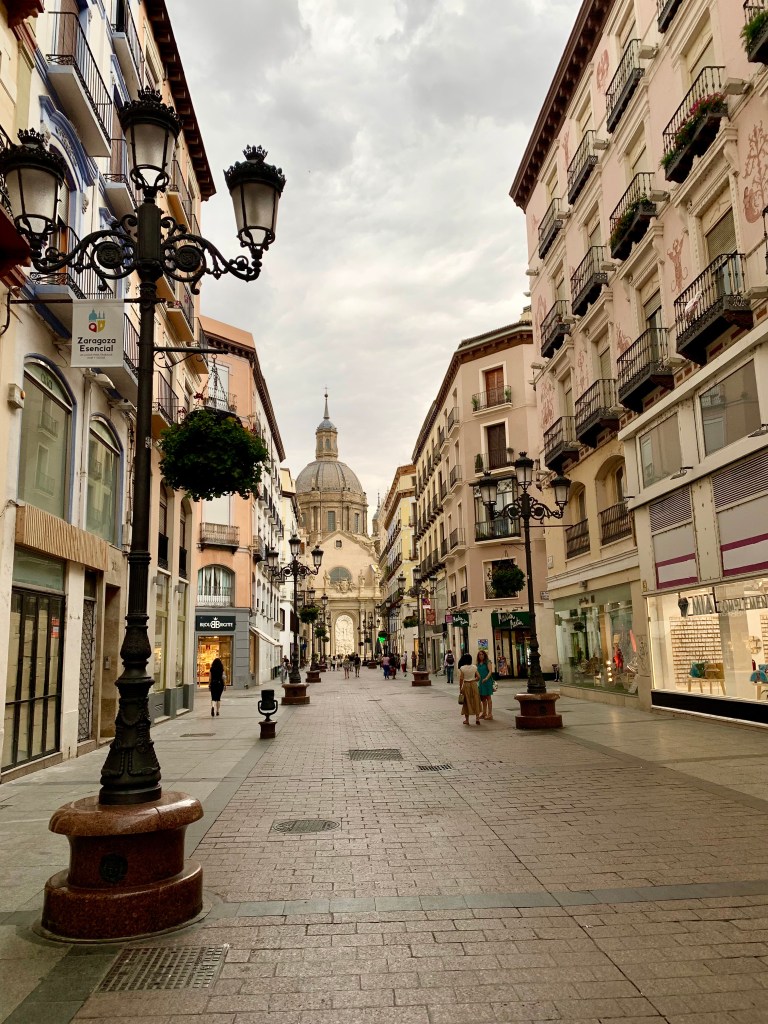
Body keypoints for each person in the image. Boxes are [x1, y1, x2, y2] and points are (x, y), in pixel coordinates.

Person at [458, 653, 482, 726]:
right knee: (476, 700)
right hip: (473, 685)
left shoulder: (462, 668)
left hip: (466, 685)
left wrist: (460, 688)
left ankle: (467, 720)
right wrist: (474, 680)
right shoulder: (474, 667)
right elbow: (479, 677)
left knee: (466, 702)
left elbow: (461, 679)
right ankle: (477, 719)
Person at [477, 649, 494, 720]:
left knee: (488, 697)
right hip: (481, 682)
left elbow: (490, 671)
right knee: (483, 698)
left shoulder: (488, 662)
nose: (481, 656)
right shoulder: (478, 663)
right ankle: (484, 713)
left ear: (484, 655)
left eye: (482, 654)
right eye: (479, 655)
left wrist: (486, 678)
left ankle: (490, 714)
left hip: (487, 681)